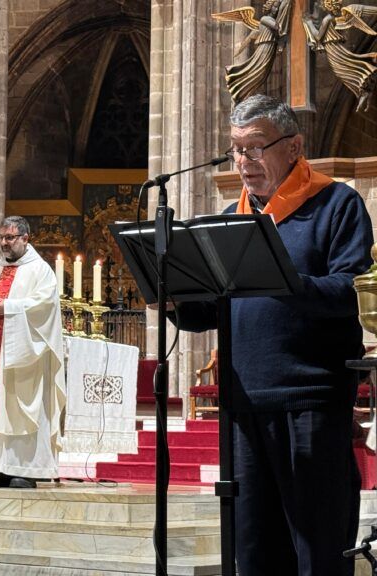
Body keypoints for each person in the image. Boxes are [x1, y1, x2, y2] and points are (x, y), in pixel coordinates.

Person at [172, 94, 373, 575]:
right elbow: (215, 308)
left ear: (294, 147)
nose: (244, 161)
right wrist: (175, 297)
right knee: (254, 550)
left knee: (318, 550)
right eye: (236, 149)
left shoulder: (336, 204)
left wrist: (283, 279)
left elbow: (351, 292)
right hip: (243, 402)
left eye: (256, 147)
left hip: (311, 399)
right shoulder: (230, 218)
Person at [0, 216, 65, 489]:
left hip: (24, 358)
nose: (4, 243)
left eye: (9, 237)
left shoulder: (40, 271)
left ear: (25, 238)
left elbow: (44, 307)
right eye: (1, 237)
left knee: (19, 407)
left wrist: (7, 308)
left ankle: (25, 469)